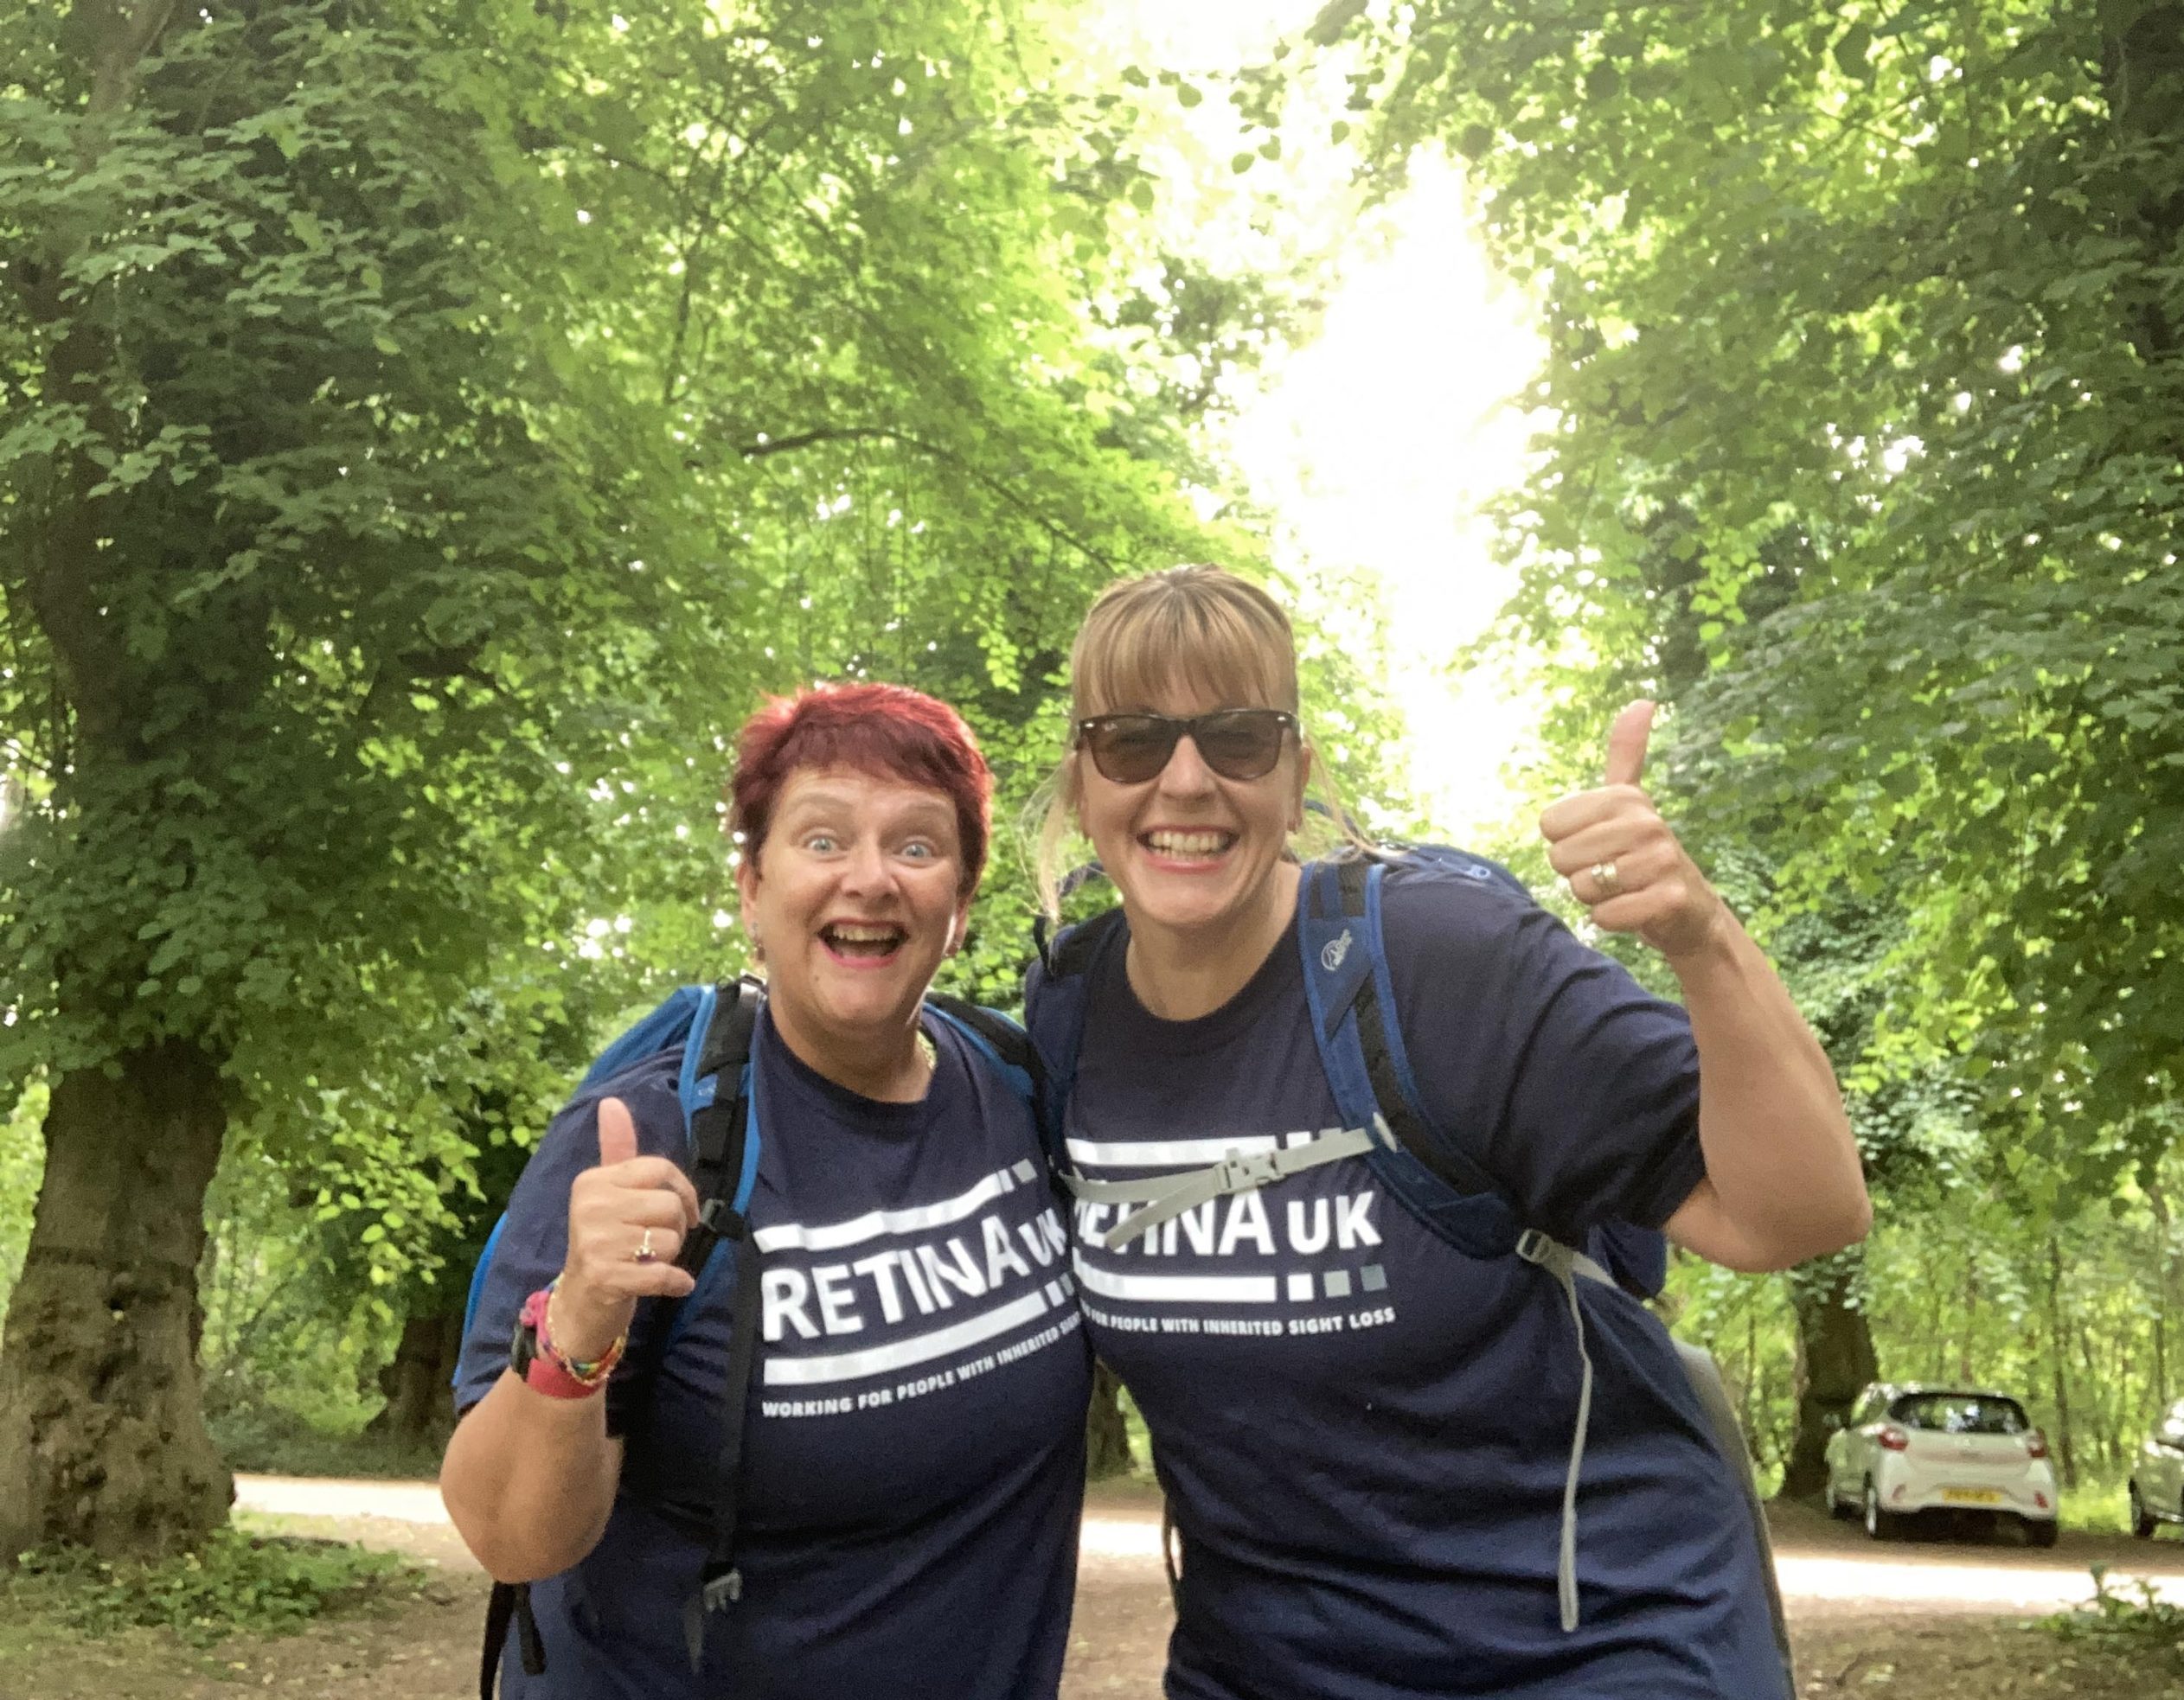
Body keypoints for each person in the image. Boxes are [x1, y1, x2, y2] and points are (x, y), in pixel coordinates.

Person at [1025, 565, 1869, 1700]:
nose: (1186, 779)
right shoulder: (1066, 1020)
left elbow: (1801, 1211)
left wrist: (1697, 931)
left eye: (1238, 735)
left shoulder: (1439, 963)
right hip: (1266, 1663)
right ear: (1082, 781)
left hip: (1587, 1647)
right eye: (1133, 739)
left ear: (1297, 772)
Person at [443, 682, 1091, 1700]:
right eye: (822, 839)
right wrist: (579, 1318)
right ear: (752, 887)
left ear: (961, 903)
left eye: (916, 846)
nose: (869, 879)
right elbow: (510, 1536)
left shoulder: (1018, 1087)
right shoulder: (651, 1138)